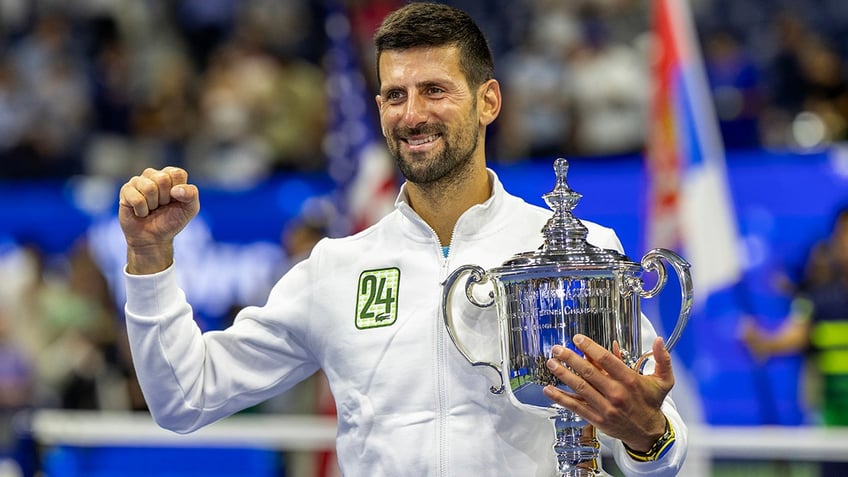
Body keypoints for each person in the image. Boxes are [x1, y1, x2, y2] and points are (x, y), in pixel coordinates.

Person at [117, 3, 687, 475]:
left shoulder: (576, 250)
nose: (412, 114)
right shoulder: (336, 269)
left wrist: (646, 433)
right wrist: (149, 259)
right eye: (395, 95)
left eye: (435, 90)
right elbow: (183, 398)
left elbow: (665, 448)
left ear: (488, 100)